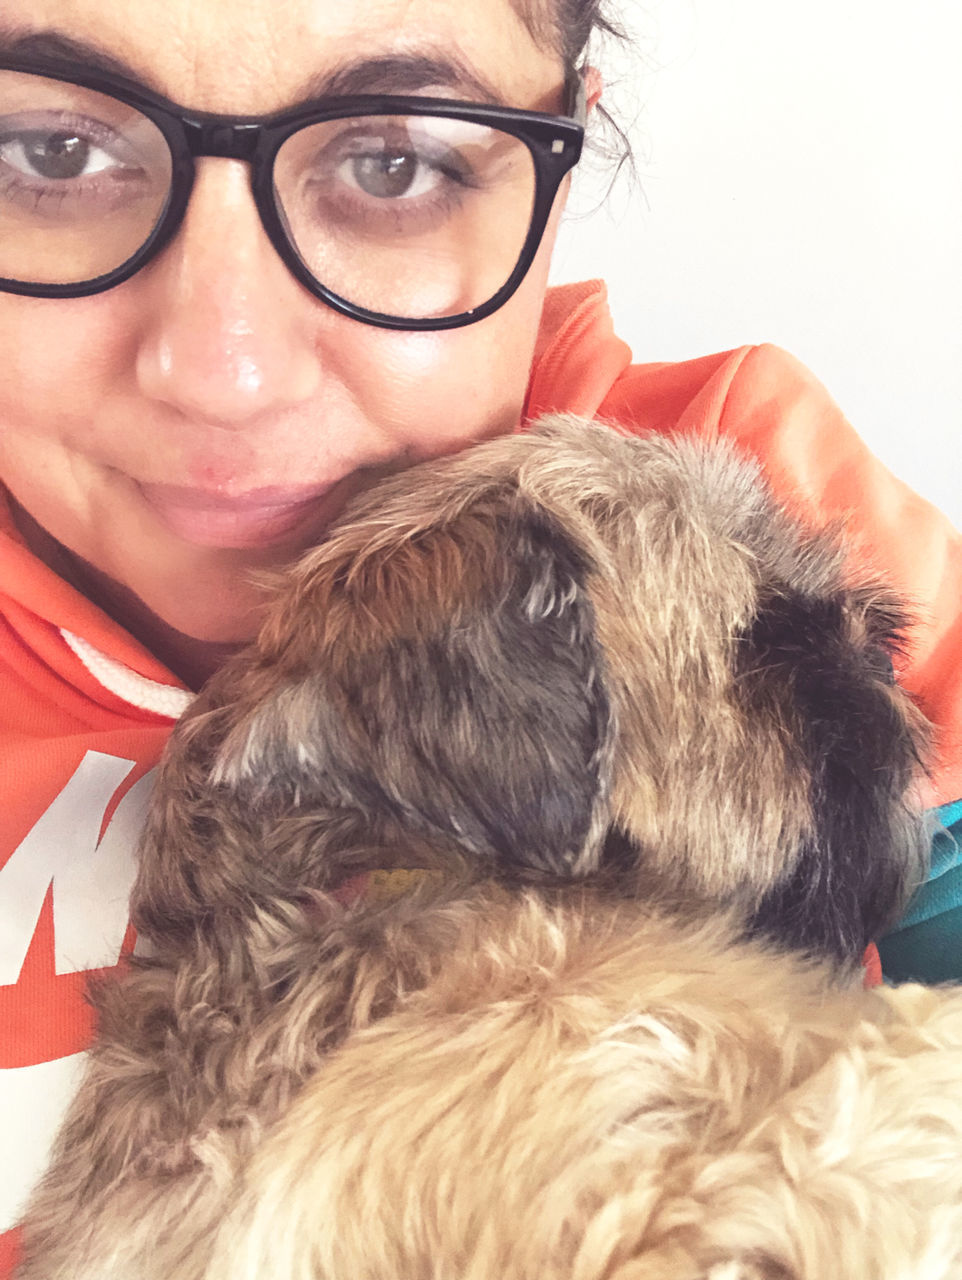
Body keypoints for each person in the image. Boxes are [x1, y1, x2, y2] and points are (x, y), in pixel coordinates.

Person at [0, 0, 959, 1272]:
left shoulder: (735, 471)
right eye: (51, 150)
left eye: (394, 162)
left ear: (558, 163)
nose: (223, 367)